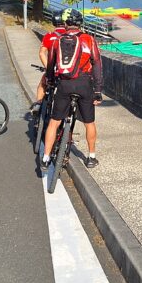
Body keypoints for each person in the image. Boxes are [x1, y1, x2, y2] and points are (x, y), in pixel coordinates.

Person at [41, 9, 103, 169]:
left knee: (54, 122)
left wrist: (50, 81)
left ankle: (45, 158)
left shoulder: (58, 40)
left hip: (64, 84)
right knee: (89, 122)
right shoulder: (89, 39)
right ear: (80, 23)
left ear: (65, 24)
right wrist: (97, 91)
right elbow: (97, 64)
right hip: (84, 84)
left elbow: (51, 64)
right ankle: (91, 157)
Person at [31, 11, 68, 112]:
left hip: (54, 70)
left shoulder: (49, 36)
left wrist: (48, 68)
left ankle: (38, 104)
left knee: (42, 84)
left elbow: (41, 53)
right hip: (68, 70)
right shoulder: (71, 36)